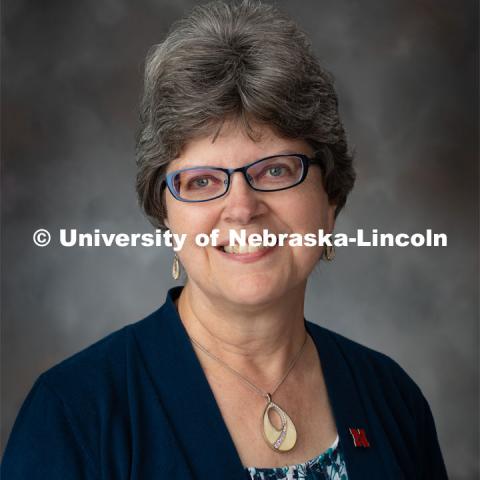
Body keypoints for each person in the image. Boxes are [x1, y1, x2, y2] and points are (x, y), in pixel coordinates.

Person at [2, 1, 448, 479]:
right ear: (165, 214)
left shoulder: (393, 399)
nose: (241, 207)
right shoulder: (73, 414)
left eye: (276, 170)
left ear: (330, 199)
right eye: (202, 181)